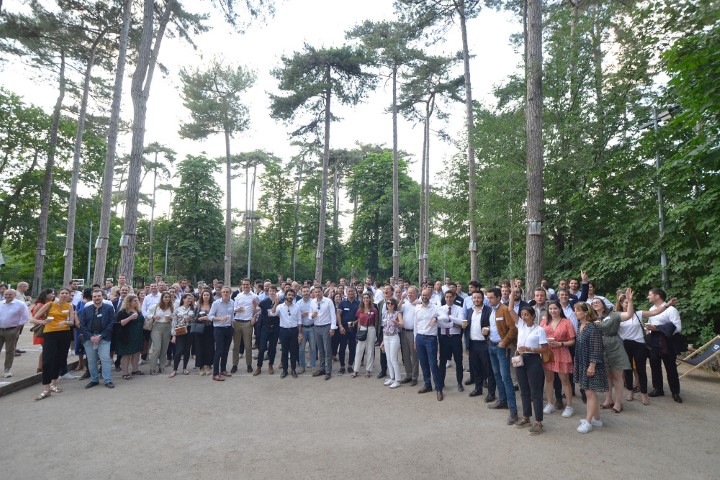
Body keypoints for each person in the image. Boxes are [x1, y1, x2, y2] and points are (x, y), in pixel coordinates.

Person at [590, 290, 634, 413]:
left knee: (617, 376)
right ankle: (608, 399)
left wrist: (630, 301)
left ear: (603, 304)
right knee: (606, 375)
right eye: (593, 303)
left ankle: (619, 403)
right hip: (599, 347)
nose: (595, 304)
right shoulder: (592, 318)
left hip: (614, 345)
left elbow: (628, 315)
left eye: (597, 302)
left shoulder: (613, 315)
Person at [31, 288, 76, 400]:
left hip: (64, 334)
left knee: (59, 359)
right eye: (62, 293)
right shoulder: (50, 304)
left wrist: (65, 322)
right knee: (47, 361)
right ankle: (46, 389)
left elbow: (72, 322)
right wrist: (43, 321)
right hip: (50, 334)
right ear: (58, 294)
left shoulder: (69, 306)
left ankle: (53, 384)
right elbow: (33, 320)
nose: (64, 295)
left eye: (67, 293)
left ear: (70, 295)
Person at [486, 287, 519, 424]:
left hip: (502, 347)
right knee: (497, 375)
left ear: (499, 298)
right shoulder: (491, 310)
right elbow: (496, 327)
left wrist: (504, 342)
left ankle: (513, 411)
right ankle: (502, 401)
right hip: (492, 345)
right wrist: (487, 331)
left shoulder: (505, 310)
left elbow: (513, 329)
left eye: (491, 298)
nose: (489, 300)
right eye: (488, 298)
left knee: (506, 378)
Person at [514, 306, 549, 435]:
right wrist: (513, 292)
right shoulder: (520, 326)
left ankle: (539, 421)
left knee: (535, 391)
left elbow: (545, 349)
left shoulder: (540, 330)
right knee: (523, 390)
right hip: (519, 358)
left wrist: (530, 349)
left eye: (527, 314)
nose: (524, 317)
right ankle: (526, 416)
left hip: (533, 359)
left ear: (533, 316)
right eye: (522, 314)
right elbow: (510, 310)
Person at [573, 302, 607, 434]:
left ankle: (588, 422)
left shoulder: (593, 328)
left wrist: (592, 365)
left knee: (589, 393)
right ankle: (597, 419)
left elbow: (597, 349)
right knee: (589, 392)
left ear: (586, 312)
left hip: (591, 364)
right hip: (582, 362)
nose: (575, 313)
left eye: (577, 310)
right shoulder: (580, 325)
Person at [645, 288, 683, 403]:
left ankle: (675, 392)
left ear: (657, 296)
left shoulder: (671, 310)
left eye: (650, 295)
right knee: (654, 365)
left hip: (667, 341)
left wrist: (657, 328)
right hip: (654, 340)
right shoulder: (652, 309)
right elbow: (651, 325)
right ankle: (658, 389)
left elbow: (677, 328)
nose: (648, 297)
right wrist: (649, 330)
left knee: (671, 367)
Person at [540, 300, 576, 418]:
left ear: (560, 309)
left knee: (564, 380)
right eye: (550, 309)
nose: (553, 311)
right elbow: (539, 335)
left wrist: (560, 344)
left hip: (561, 352)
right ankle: (550, 403)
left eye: (555, 308)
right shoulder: (544, 321)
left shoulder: (567, 322)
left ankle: (569, 406)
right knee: (549, 379)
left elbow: (572, 340)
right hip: (548, 353)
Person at [78, 289, 116, 389]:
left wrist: (101, 336)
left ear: (102, 296)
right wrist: (90, 336)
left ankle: (107, 380)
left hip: (103, 338)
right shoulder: (86, 309)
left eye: (99, 296)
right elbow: (82, 324)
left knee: (105, 359)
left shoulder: (108, 308)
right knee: (91, 360)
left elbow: (111, 323)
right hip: (89, 338)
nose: (97, 298)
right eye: (95, 296)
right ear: (92, 297)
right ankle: (94, 380)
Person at [415, 288, 443, 401]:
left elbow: (445, 317)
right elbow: (415, 323)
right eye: (423, 295)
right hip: (419, 337)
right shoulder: (417, 308)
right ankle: (427, 384)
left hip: (430, 338)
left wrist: (436, 318)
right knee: (423, 362)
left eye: (426, 295)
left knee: (433, 364)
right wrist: (414, 340)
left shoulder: (435, 307)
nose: (424, 296)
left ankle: (439, 388)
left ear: (430, 296)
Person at [467, 290, 494, 400]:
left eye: (478, 298)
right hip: (472, 343)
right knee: (475, 368)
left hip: (484, 343)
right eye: (474, 298)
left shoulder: (488, 311)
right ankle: (478, 388)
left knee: (488, 369)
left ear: (483, 299)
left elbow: (493, 325)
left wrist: (488, 328)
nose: (476, 300)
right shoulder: (469, 311)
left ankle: (491, 392)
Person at [437, 290, 465, 394]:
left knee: (458, 361)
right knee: (442, 361)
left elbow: (461, 322)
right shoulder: (440, 309)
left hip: (455, 337)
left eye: (450, 297)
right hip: (444, 337)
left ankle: (459, 383)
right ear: (445, 298)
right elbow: (439, 324)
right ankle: (441, 381)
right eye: (447, 297)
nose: (449, 299)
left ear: (454, 297)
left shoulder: (459, 309)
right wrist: (452, 324)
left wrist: (449, 317)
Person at [270, 288, 302, 378]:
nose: (290, 296)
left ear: (294, 296)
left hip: (294, 331)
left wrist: (300, 332)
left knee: (293, 351)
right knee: (284, 351)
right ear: (285, 296)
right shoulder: (280, 306)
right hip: (283, 331)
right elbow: (272, 313)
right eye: (289, 295)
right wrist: (276, 303)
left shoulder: (297, 307)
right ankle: (284, 370)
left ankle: (293, 370)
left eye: (292, 295)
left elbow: (299, 320)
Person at [0, 289, 30, 377]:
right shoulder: (1, 303)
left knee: (10, 351)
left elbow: (25, 317)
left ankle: (7, 369)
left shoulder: (20, 304)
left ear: (14, 295)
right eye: (6, 294)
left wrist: (17, 329)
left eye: (10, 294)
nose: (7, 296)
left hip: (12, 330)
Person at [310, 286, 337, 380]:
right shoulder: (312, 302)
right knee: (320, 350)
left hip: (326, 327)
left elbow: (333, 315)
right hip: (316, 327)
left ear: (322, 292)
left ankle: (328, 370)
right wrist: (311, 316)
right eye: (315, 292)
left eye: (319, 291)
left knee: (327, 350)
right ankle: (322, 369)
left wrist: (332, 328)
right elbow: (310, 315)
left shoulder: (328, 301)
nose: (317, 293)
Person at [231, 279, 258, 374]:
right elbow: (233, 309)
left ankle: (249, 364)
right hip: (237, 322)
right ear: (241, 285)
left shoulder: (254, 296)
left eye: (247, 284)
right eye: (244, 284)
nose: (245, 286)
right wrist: (237, 309)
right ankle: (235, 365)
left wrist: (254, 317)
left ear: (250, 285)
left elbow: (257, 310)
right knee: (236, 346)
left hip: (247, 323)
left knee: (248, 346)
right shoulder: (238, 296)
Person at [209, 286, 234, 381]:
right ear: (221, 293)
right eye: (223, 292)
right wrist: (219, 318)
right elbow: (210, 316)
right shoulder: (216, 303)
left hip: (229, 329)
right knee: (218, 351)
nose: (225, 294)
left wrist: (233, 322)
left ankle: (223, 369)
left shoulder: (232, 302)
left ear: (230, 293)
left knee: (226, 351)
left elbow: (232, 315)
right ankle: (215, 374)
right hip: (219, 329)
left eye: (227, 292)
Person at [115, 294, 144, 380]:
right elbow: (120, 323)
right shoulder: (123, 312)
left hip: (138, 335)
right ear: (129, 302)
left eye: (137, 301)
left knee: (136, 353)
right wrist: (130, 318)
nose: (137, 302)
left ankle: (135, 370)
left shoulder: (138, 310)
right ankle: (125, 373)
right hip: (127, 336)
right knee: (126, 354)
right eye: (134, 301)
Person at [147, 292, 175, 375]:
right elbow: (148, 314)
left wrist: (171, 317)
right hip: (157, 327)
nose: (167, 298)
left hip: (167, 327)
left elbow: (174, 317)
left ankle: (161, 367)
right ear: (162, 298)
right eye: (165, 297)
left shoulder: (171, 307)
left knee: (164, 349)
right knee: (157, 348)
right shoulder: (156, 306)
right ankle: (152, 368)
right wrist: (153, 316)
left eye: (168, 297)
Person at [255, 285, 280, 375]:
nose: (272, 292)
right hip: (265, 328)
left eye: (273, 291)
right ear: (268, 292)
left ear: (276, 292)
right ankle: (259, 366)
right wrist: (254, 307)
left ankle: (270, 365)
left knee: (272, 349)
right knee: (262, 348)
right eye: (270, 291)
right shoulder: (263, 302)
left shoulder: (280, 303)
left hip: (275, 328)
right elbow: (257, 310)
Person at [380, 297, 404, 389]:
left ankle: (397, 380)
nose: (389, 305)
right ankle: (392, 377)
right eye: (388, 303)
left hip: (394, 337)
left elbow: (402, 324)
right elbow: (384, 328)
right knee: (388, 358)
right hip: (386, 336)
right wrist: (382, 340)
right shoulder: (385, 314)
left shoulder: (398, 313)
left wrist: (396, 323)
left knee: (393, 359)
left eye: (391, 303)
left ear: (394, 305)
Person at [169, 293, 195, 377]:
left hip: (190, 330)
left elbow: (195, 321)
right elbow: (174, 323)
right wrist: (174, 335)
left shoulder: (193, 310)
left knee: (187, 350)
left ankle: (184, 368)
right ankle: (175, 369)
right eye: (188, 298)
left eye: (191, 299)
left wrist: (190, 319)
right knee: (178, 351)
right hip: (180, 330)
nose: (189, 300)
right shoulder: (178, 309)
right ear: (183, 299)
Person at [336, 287, 359, 375]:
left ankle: (350, 366)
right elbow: (338, 314)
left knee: (352, 348)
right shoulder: (342, 303)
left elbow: (360, 316)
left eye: (352, 291)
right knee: (342, 348)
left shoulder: (358, 303)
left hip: (354, 328)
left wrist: (355, 322)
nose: (350, 293)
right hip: (343, 328)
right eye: (349, 291)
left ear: (354, 292)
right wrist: (340, 326)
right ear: (346, 292)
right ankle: (342, 367)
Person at [31, 288, 55, 373]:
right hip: (42, 330)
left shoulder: (49, 304)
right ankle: (42, 367)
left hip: (48, 330)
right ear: (46, 294)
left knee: (46, 349)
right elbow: (34, 319)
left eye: (54, 294)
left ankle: (40, 367)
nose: (53, 295)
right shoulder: (40, 305)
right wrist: (44, 321)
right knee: (46, 349)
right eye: (51, 294)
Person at [399, 286, 420, 385]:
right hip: (404, 332)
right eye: (408, 292)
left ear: (416, 294)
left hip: (413, 333)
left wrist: (418, 303)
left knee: (414, 356)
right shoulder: (406, 303)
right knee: (405, 355)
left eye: (412, 292)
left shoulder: (419, 303)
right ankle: (408, 375)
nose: (409, 294)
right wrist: (402, 298)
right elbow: (398, 309)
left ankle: (414, 377)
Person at [194, 289, 215, 376]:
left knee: (209, 346)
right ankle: (201, 366)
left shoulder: (213, 305)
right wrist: (200, 318)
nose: (206, 297)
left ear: (210, 296)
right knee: (199, 347)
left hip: (210, 329)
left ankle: (208, 365)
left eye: (207, 295)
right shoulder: (198, 306)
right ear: (201, 296)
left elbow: (215, 316)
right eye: (204, 295)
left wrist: (209, 318)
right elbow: (194, 318)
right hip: (200, 329)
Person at [296, 286, 315, 374]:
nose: (306, 293)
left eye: (307, 291)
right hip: (302, 328)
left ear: (310, 292)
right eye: (304, 291)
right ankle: (302, 366)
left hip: (312, 327)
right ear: (301, 292)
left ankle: (313, 366)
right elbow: (296, 316)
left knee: (313, 348)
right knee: (301, 349)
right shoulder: (298, 303)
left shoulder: (314, 302)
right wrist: (301, 315)